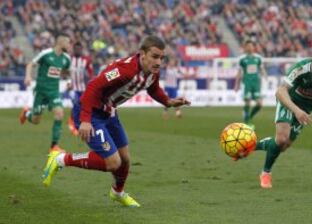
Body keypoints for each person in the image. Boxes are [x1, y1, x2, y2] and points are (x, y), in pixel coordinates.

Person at [41, 36, 191, 207]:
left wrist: (169, 102)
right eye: (155, 56)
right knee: (113, 162)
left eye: (161, 58)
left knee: (125, 159)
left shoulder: (152, 72)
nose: (158, 62)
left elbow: (154, 89)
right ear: (142, 54)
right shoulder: (124, 70)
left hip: (109, 112)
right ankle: (60, 159)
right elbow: (93, 86)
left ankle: (117, 192)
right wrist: (85, 120)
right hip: (92, 111)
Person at [253, 40, 312, 189]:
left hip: (305, 110)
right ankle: (265, 173)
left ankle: (251, 146)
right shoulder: (300, 68)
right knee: (282, 138)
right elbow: (281, 91)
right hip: (288, 101)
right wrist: (296, 110)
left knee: (284, 145)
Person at [19, 33, 71, 152]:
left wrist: (68, 81)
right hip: (41, 91)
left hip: (54, 91)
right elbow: (30, 64)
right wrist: (28, 76)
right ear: (60, 42)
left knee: (59, 113)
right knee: (36, 120)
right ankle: (27, 113)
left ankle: (54, 146)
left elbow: (66, 71)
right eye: (67, 42)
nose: (69, 45)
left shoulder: (66, 58)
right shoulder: (46, 54)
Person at [234, 40, 267, 129]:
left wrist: (265, 76)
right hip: (246, 83)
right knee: (247, 102)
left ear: (254, 47)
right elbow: (239, 72)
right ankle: (247, 122)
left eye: (251, 46)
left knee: (259, 104)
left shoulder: (258, 58)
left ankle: (249, 117)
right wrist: (236, 84)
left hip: (256, 83)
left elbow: (262, 69)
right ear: (245, 48)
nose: (249, 47)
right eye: (247, 46)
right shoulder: (242, 59)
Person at [67, 42, 94, 136]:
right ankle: (73, 124)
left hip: (83, 88)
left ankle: (75, 122)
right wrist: (68, 83)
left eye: (79, 49)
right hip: (73, 88)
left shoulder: (86, 60)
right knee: (76, 104)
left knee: (82, 106)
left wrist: (90, 85)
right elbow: (64, 72)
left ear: (81, 49)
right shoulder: (69, 59)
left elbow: (91, 74)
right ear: (74, 49)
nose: (78, 50)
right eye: (76, 49)